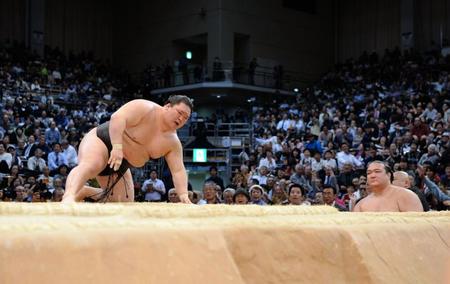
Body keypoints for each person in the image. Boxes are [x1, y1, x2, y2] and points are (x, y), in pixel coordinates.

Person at [62, 95, 193, 203]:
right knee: (91, 165)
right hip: (102, 141)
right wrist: (117, 147)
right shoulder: (146, 108)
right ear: (168, 106)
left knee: (123, 203)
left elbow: (178, 170)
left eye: (185, 118)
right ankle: (69, 196)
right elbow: (117, 118)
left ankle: (84, 191)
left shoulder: (172, 143)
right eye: (179, 113)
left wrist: (183, 195)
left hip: (121, 164)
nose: (181, 119)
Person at [353, 161, 423, 212]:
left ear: (388, 175)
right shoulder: (360, 205)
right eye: (369, 173)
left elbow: (417, 226)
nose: (372, 175)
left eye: (377, 171)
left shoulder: (406, 196)